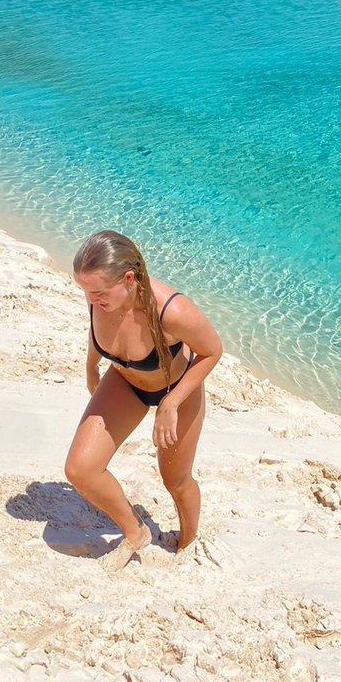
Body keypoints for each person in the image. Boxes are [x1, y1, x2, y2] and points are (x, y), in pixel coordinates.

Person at [64, 229, 223, 569]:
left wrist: (171, 403)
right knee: (81, 469)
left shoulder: (172, 310)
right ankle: (136, 532)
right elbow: (96, 328)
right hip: (124, 382)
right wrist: (91, 365)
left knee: (176, 481)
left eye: (99, 292)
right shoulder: (99, 296)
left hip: (177, 389)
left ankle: (188, 542)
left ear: (129, 278)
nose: (91, 299)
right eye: (86, 291)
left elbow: (211, 352)